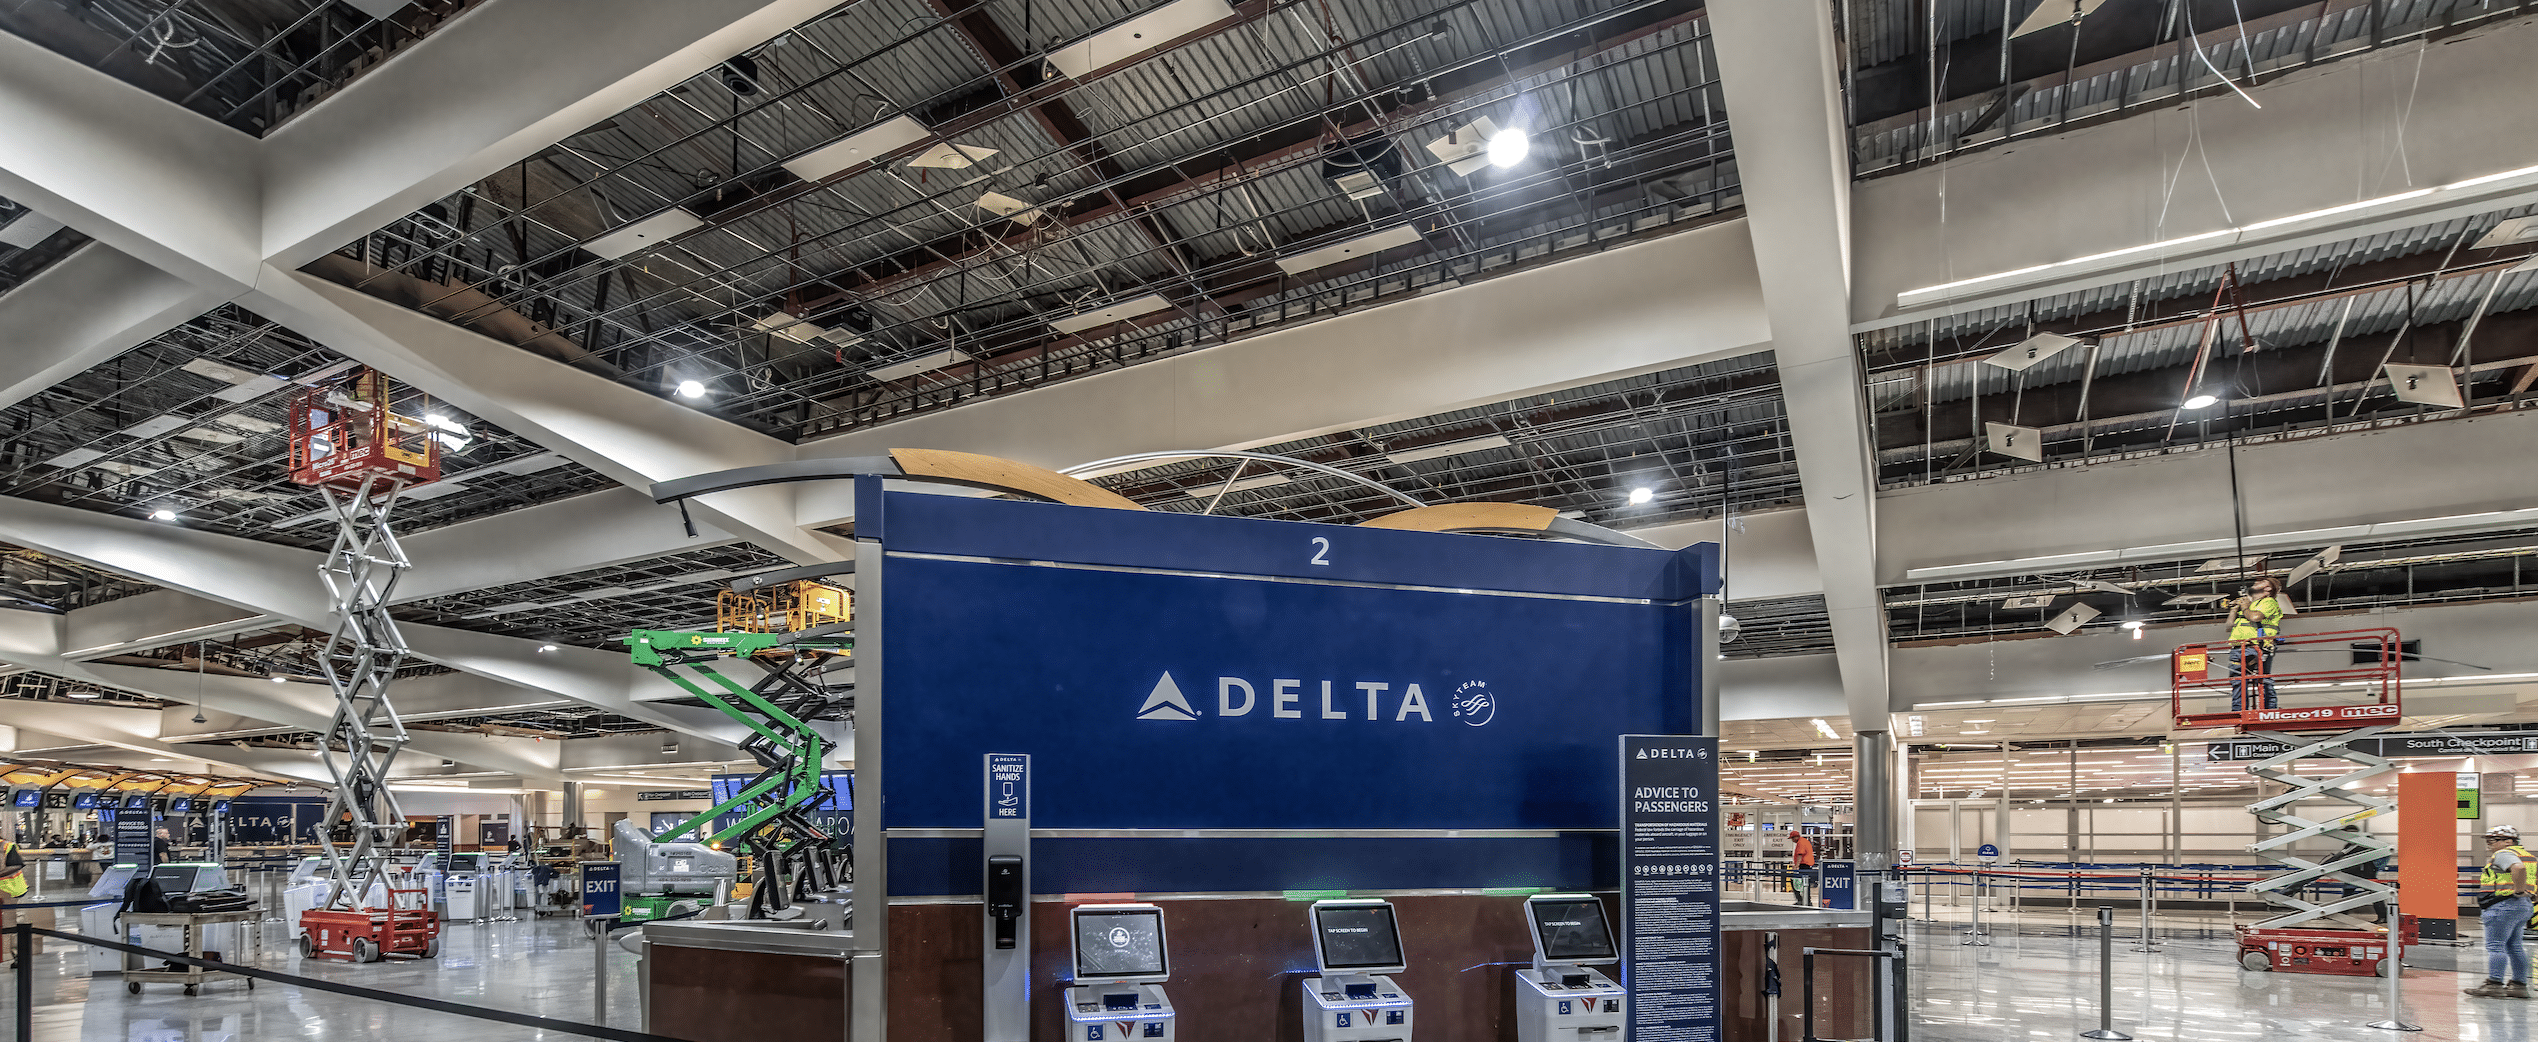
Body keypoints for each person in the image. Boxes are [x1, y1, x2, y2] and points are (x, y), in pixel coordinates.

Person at [2466, 825, 2535, 999]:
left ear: (2509, 841)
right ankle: (2519, 985)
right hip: (2523, 906)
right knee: (2515, 946)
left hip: (2502, 905)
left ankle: (2495, 984)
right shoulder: (2529, 856)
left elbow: (2518, 869)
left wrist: (2518, 890)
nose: (2490, 844)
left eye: (2494, 840)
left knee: (2496, 946)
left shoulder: (2504, 854)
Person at [2225, 576, 2288, 711]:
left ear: (2269, 588)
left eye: (2261, 582)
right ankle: (2239, 712)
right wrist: (2235, 609)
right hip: (2238, 647)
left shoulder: (2269, 602)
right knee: (2238, 681)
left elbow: (2255, 617)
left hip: (2257, 647)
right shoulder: (2249, 605)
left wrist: (2245, 607)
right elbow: (2229, 627)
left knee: (2263, 680)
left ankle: (2269, 710)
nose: (2256, 582)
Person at [1792, 831, 1818, 903]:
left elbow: (1800, 855)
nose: (1792, 840)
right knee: (1805, 883)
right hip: (1805, 866)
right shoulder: (1803, 841)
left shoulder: (1801, 843)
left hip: (1804, 866)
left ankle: (1802, 900)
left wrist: (1796, 866)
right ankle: (1806, 900)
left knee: (1797, 882)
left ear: (1796, 837)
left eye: (1792, 838)